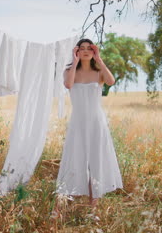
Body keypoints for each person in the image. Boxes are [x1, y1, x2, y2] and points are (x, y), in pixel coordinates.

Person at [56, 38, 123, 205]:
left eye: (89, 48)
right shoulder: (68, 71)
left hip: (96, 121)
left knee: (96, 159)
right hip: (78, 121)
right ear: (76, 52)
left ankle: (94, 204)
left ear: (94, 51)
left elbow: (111, 81)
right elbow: (69, 84)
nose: (86, 51)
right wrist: (75, 61)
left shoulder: (99, 72)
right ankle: (69, 197)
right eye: (82, 48)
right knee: (76, 156)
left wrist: (99, 59)